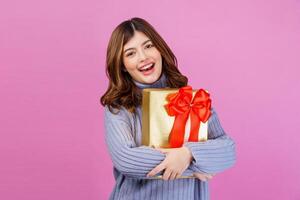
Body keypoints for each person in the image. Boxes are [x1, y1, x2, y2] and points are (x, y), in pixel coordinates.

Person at [100, 17, 236, 200]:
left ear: (159, 49)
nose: (143, 57)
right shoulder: (119, 107)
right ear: (123, 66)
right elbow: (126, 160)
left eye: (148, 46)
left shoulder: (192, 100)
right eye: (130, 53)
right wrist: (195, 165)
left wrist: (187, 154)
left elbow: (228, 150)